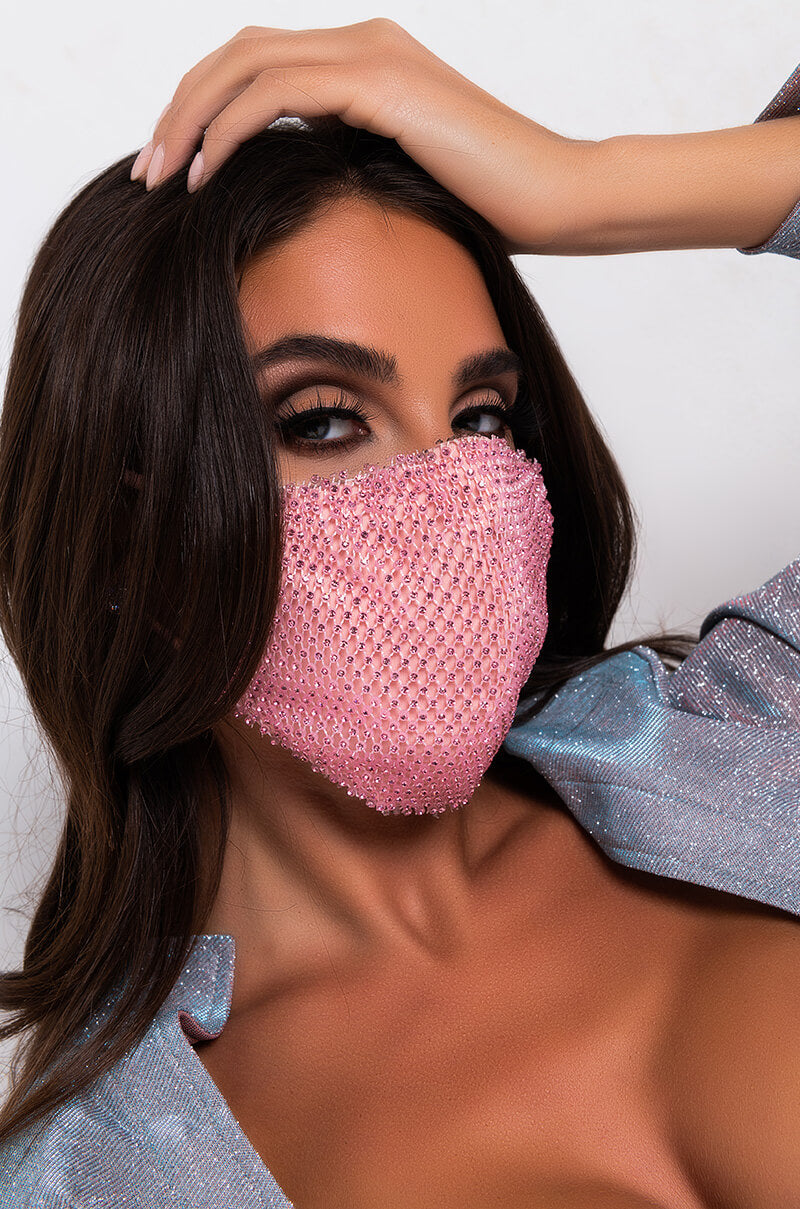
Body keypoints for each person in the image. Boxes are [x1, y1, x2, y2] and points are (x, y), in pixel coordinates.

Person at [0, 19, 798, 1208]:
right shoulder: (105, 1178)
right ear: (137, 537)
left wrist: (585, 186)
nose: (458, 497)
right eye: (322, 418)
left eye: (480, 418)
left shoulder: (753, 725)